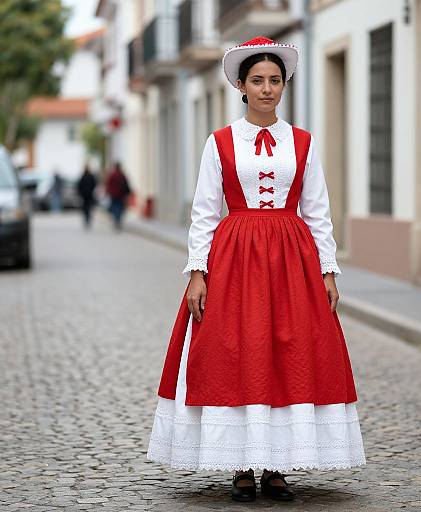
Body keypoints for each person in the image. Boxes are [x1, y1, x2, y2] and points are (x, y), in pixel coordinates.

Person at [146, 36, 366, 502]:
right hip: (236, 257)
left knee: (289, 354)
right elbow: (204, 211)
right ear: (242, 87)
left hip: (292, 258)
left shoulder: (302, 142)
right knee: (237, 351)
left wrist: (328, 270)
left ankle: (277, 467)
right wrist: (197, 272)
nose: (267, 89)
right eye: (257, 81)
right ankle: (242, 465)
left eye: (274, 80)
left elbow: (318, 210)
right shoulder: (220, 142)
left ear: (283, 85)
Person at [105, 162, 131, 230]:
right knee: (119, 208)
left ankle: (116, 219)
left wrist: (107, 192)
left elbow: (108, 184)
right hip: (120, 195)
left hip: (114, 195)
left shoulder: (112, 175)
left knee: (115, 207)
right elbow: (126, 185)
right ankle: (118, 219)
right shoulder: (122, 175)